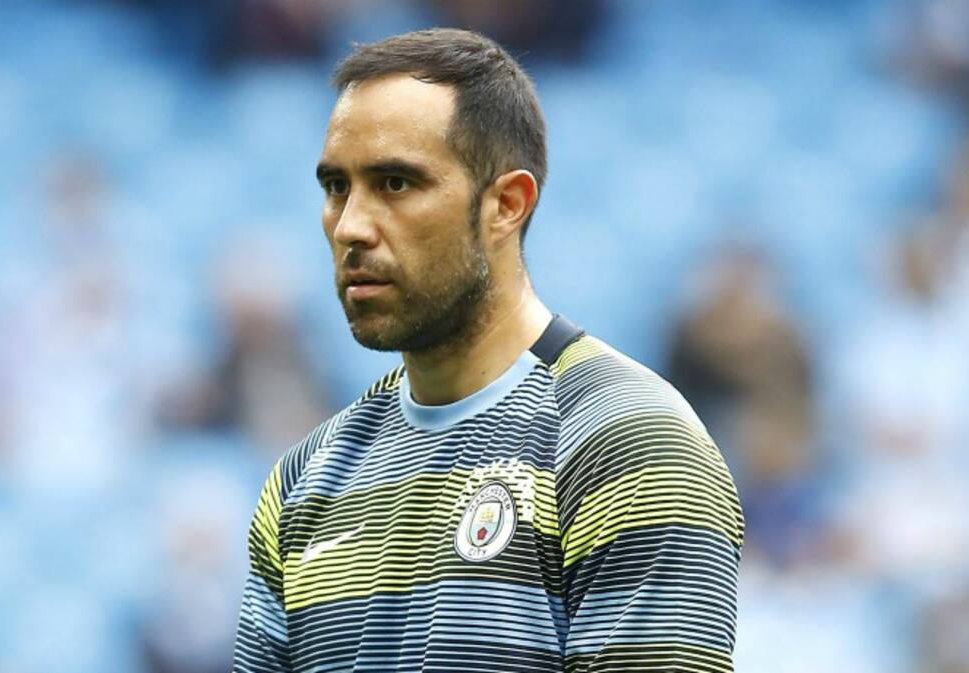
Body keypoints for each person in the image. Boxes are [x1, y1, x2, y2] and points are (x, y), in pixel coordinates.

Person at [234, 28, 745, 673]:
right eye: (337, 187)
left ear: (507, 204)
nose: (351, 226)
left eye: (395, 183)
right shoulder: (304, 485)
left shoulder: (628, 441)